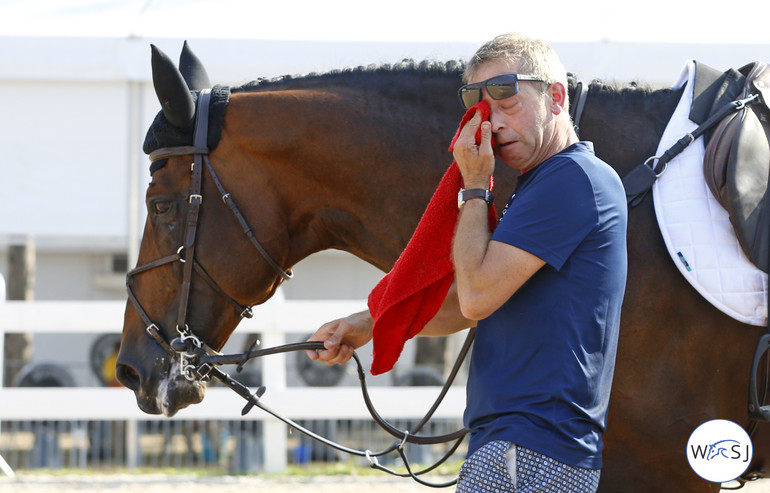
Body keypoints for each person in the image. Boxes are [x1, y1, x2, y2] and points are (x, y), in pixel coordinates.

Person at [306, 32, 628, 492]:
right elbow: (468, 302)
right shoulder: (545, 184)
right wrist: (367, 322)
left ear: (556, 97)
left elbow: (475, 296)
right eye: (481, 108)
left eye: (507, 101)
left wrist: (475, 186)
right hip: (521, 444)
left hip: (532, 448)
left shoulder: (572, 178)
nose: (492, 123)